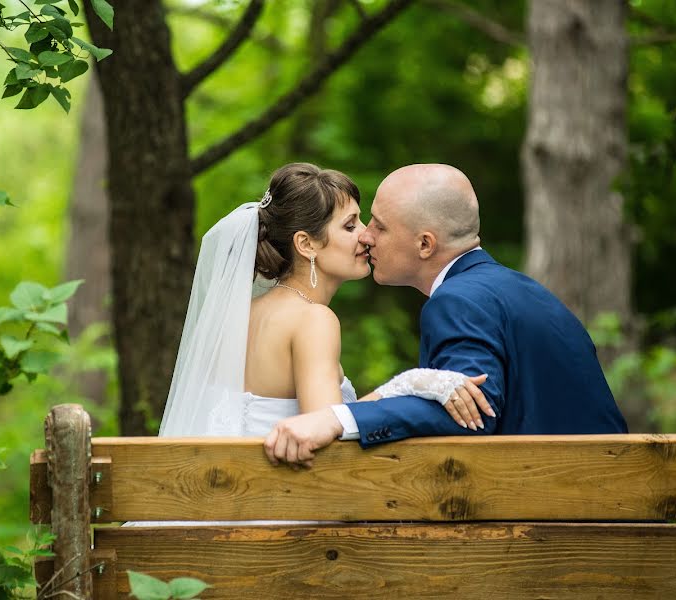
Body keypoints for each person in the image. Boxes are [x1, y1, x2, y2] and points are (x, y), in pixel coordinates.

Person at [264, 163, 628, 467]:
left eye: (378, 225)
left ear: (425, 244)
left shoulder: (459, 300)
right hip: (594, 490)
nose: (367, 237)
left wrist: (337, 418)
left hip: (562, 511)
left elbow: (474, 411)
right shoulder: (518, 289)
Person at [158, 162, 489, 442]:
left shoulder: (242, 315)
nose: (366, 235)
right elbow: (326, 431)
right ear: (306, 244)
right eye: (349, 225)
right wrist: (411, 383)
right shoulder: (314, 320)